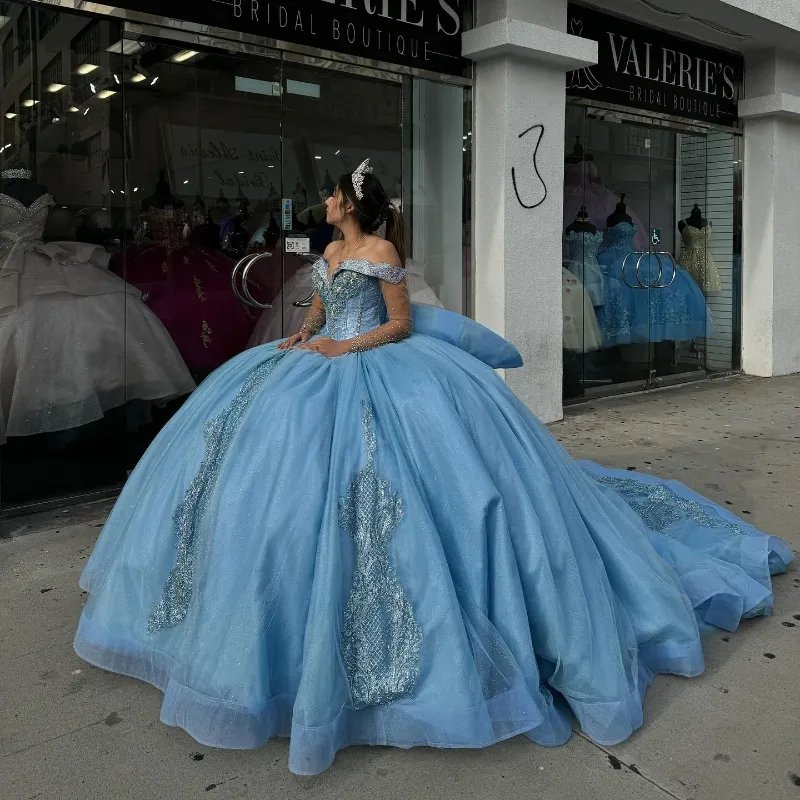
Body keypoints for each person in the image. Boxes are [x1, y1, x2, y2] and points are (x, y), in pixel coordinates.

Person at [74, 159, 793, 776]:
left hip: (382, 368)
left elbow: (398, 326)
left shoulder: (383, 253)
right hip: (313, 365)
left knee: (434, 493)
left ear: (353, 204)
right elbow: (322, 312)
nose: (324, 204)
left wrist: (337, 351)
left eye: (331, 196)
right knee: (250, 477)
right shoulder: (327, 254)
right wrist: (301, 337)